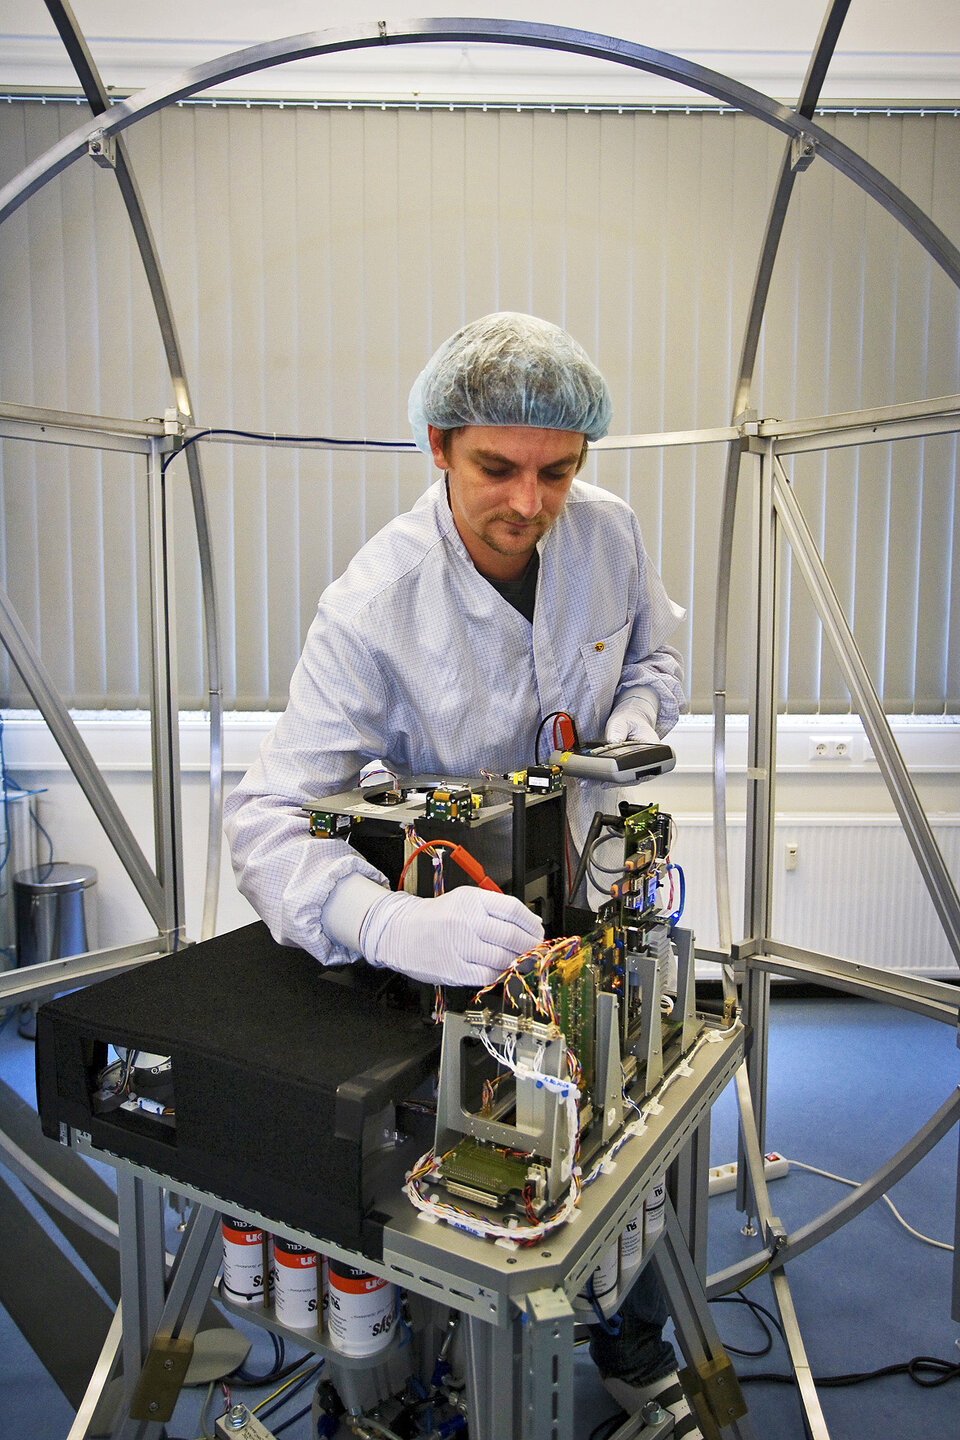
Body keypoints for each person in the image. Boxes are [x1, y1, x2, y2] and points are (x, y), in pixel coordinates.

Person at [224, 311, 693, 1425]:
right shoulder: (375, 605)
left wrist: (634, 711)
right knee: (481, 1157)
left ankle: (632, 1339)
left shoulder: (611, 536)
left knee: (632, 1129)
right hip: (461, 932)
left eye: (557, 472)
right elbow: (265, 821)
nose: (529, 504)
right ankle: (418, 1380)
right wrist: (386, 925)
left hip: (592, 888)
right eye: (496, 467)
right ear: (436, 445)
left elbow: (661, 651)